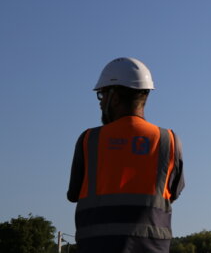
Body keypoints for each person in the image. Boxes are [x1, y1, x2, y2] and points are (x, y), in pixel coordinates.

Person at [67, 57, 185, 253]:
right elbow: (173, 193)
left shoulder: (89, 140)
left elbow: (73, 194)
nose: (101, 103)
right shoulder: (168, 140)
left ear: (114, 97)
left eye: (102, 95)